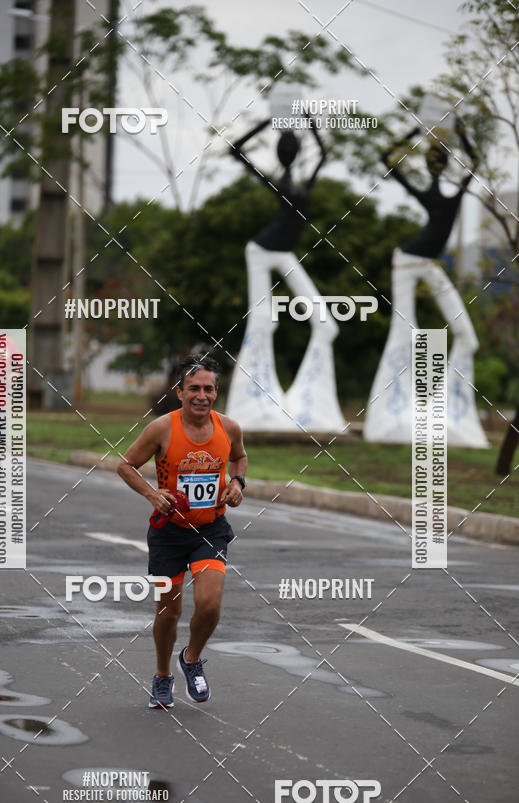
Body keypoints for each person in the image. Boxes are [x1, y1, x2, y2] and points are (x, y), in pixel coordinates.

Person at [117, 355, 247, 708]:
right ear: (179, 392)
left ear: (216, 392)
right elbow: (125, 465)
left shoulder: (229, 428)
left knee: (210, 605)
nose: (201, 395)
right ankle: (162, 676)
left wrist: (237, 482)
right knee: (169, 612)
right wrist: (152, 494)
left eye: (208, 389)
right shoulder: (161, 428)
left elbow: (239, 458)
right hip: (169, 534)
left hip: (211, 530)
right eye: (194, 388)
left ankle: (191, 659)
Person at [363, 117, 487, 446]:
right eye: (434, 159)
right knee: (405, 334)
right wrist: (416, 132)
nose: (437, 165)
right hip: (405, 263)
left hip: (427, 264)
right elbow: (386, 159)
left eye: (439, 159)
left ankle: (447, 413)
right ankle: (391, 414)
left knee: (467, 337)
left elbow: (475, 162)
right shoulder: (432, 193)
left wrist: (460, 132)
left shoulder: (453, 192)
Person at [226, 118, 344, 432]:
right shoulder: (278, 182)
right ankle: (254, 405)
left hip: (283, 253)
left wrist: (306, 119)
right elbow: (235, 150)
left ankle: (309, 406)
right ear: (281, 152)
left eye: (294, 145)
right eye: (287, 146)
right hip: (261, 251)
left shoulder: (303, 182)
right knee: (263, 322)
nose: (291, 150)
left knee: (326, 324)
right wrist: (268, 121)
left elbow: (323, 154)